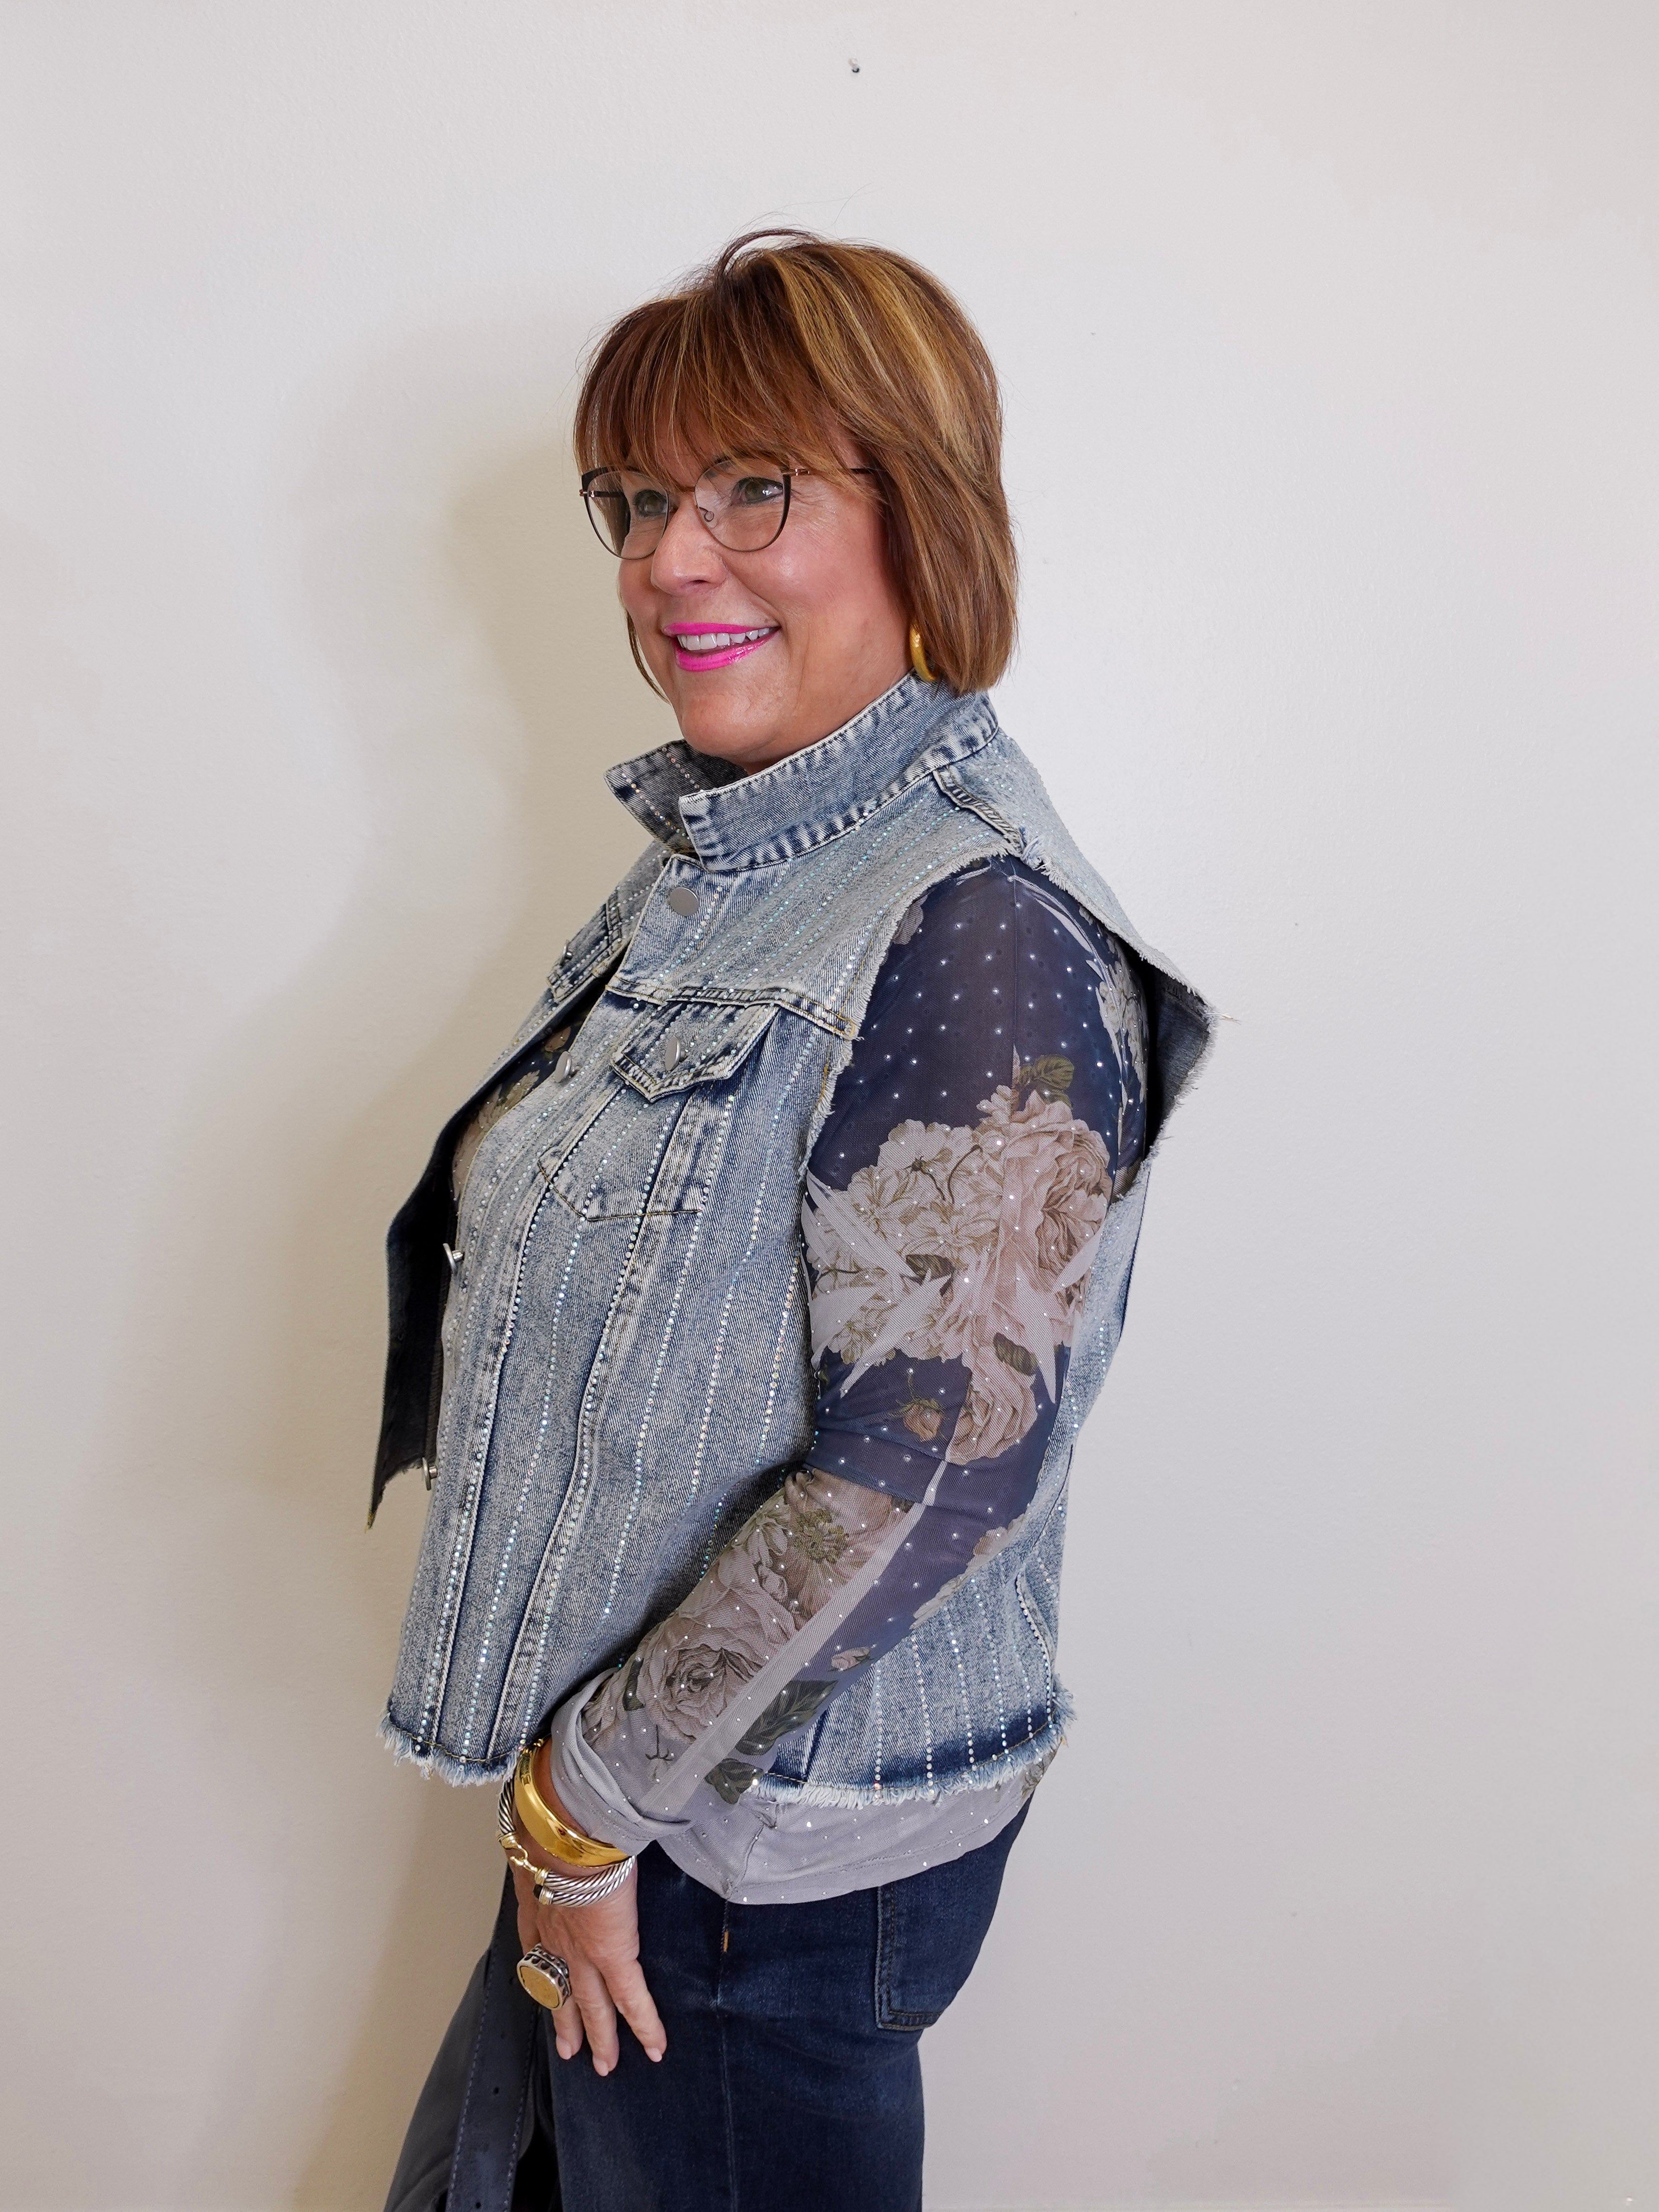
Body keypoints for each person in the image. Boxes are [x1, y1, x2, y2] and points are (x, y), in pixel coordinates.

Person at [375, 229, 1212, 2212]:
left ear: (919, 513)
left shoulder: (970, 926)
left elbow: (928, 1468)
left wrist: (588, 1810)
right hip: (648, 1823)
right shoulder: (738, 871)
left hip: (740, 1870)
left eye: (754, 488)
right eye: (642, 499)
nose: (671, 561)